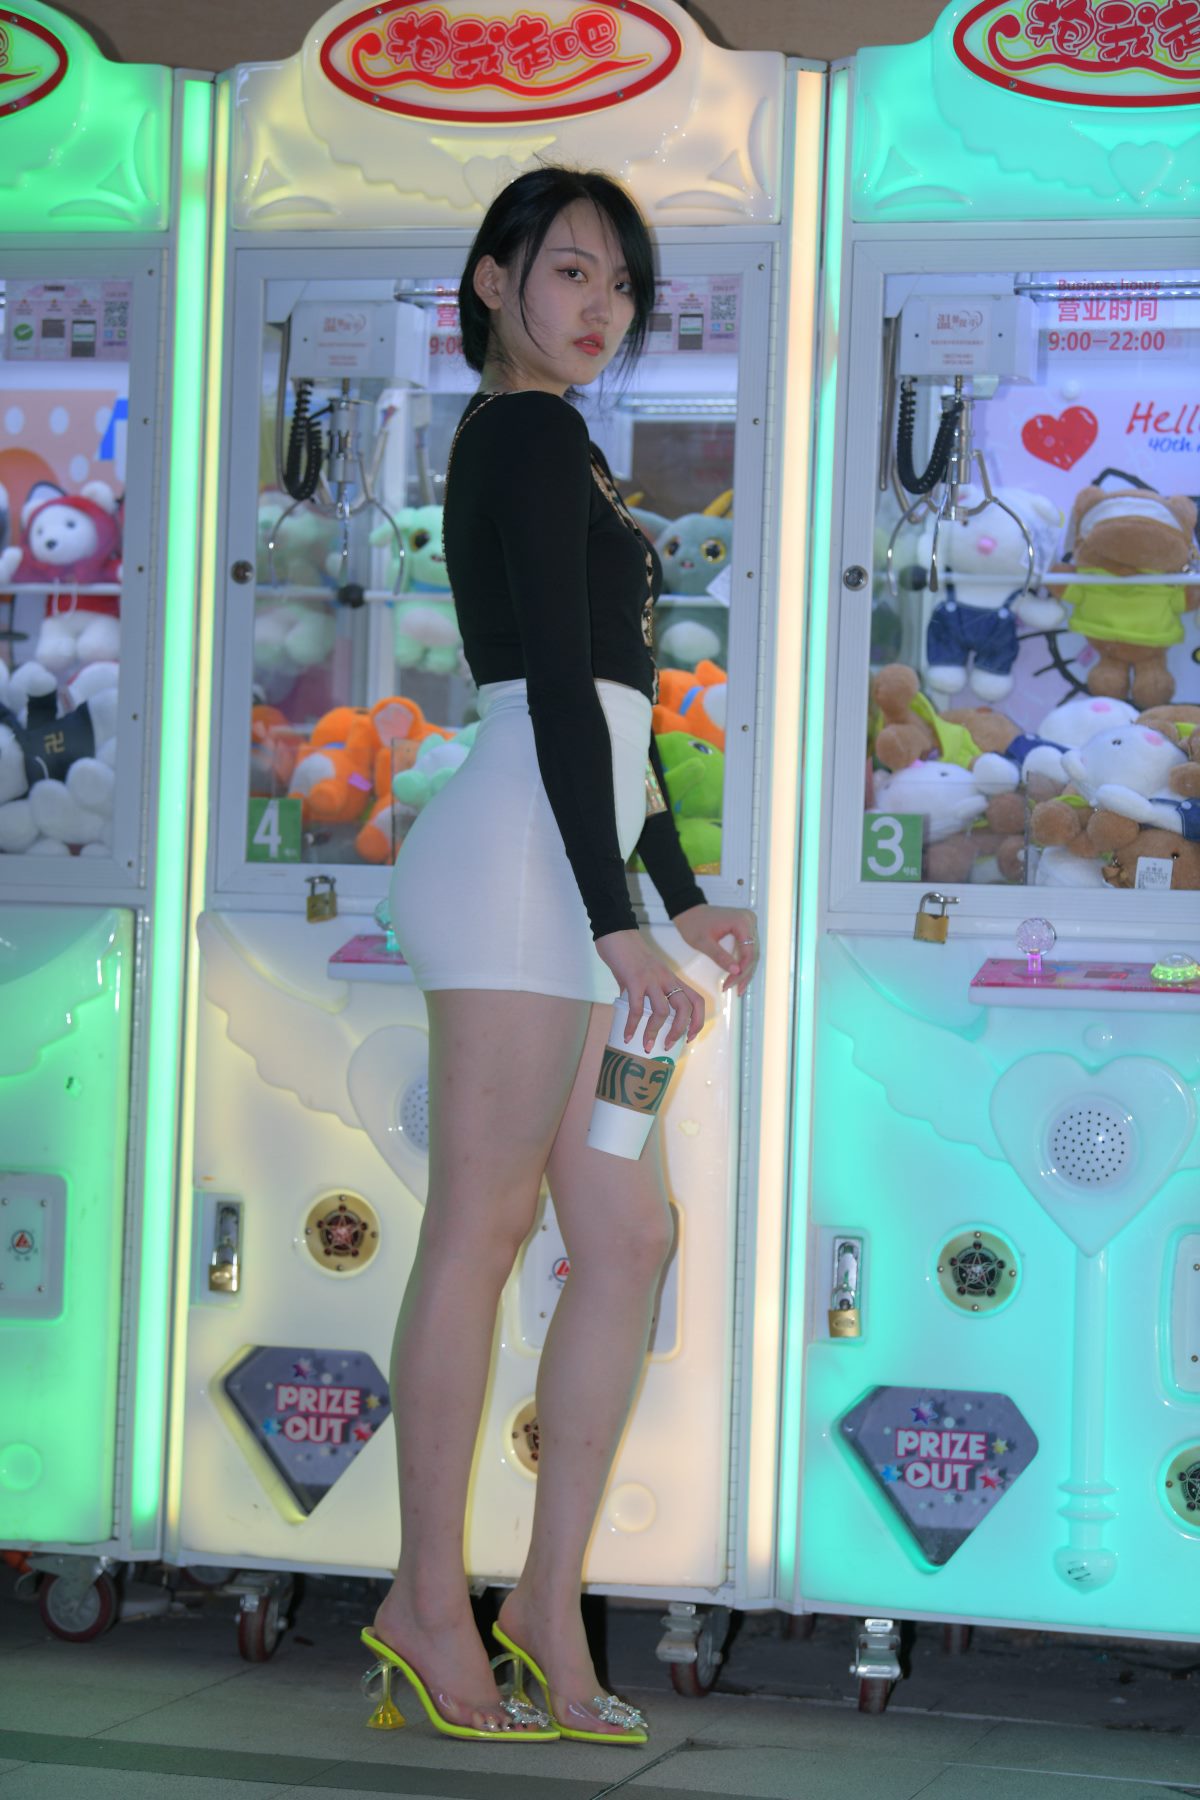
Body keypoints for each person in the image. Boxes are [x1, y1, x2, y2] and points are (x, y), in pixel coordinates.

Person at [364, 165, 760, 1745]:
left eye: (622, 285)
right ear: (493, 280)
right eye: (574, 272)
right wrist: (620, 921)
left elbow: (617, 716)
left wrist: (676, 899)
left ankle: (541, 1600)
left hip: (573, 872)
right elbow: (546, 707)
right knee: (481, 1225)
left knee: (628, 1236)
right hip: (522, 881)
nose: (603, 307)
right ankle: (424, 1600)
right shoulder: (522, 434)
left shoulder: (567, 446)